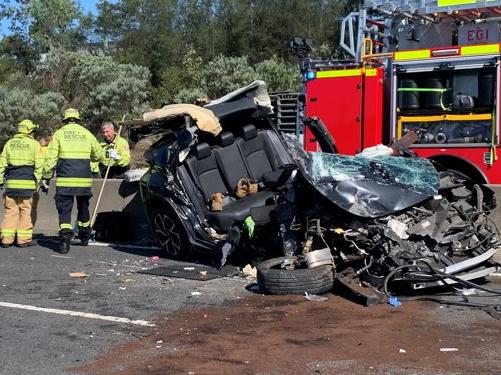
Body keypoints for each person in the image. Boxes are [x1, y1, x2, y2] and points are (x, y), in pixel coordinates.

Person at [42, 108, 103, 254]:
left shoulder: (59, 134)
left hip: (65, 181)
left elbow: (50, 158)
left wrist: (45, 176)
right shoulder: (86, 134)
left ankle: (64, 243)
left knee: (65, 211)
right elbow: (99, 155)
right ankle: (84, 237)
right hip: (83, 181)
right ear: (78, 119)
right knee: (83, 209)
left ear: (64, 119)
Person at [0, 119, 43, 247]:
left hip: (12, 185)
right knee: (26, 211)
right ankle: (23, 240)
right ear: (30, 131)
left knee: (10, 211)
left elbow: (2, 164)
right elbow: (39, 165)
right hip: (27, 185)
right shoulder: (34, 144)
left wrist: (0, 180)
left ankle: (6, 240)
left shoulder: (9, 143)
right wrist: (39, 182)